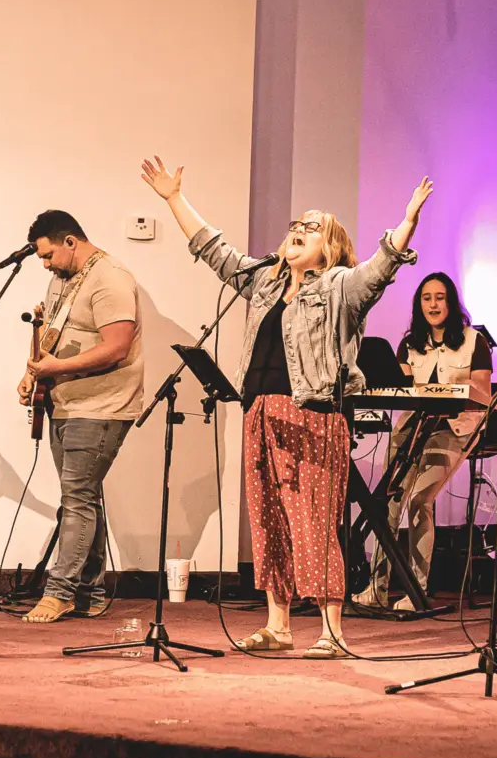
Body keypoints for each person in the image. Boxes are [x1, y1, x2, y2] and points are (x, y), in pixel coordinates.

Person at [141, 156, 432, 657]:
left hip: (312, 416)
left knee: (313, 522)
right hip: (259, 413)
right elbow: (213, 249)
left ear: (330, 248)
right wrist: (173, 199)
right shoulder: (265, 281)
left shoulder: (339, 287)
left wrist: (405, 224)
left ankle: (332, 630)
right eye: (295, 224)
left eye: (312, 228)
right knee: (270, 521)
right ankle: (278, 625)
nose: (298, 229)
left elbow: (379, 272)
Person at [17, 210, 143, 623]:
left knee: (77, 496)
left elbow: (117, 346)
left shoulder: (110, 279)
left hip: (101, 405)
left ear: (70, 241)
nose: (45, 264)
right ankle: (89, 590)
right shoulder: (63, 279)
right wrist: (32, 373)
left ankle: (60, 591)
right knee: (83, 496)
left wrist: (54, 370)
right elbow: (51, 337)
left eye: (49, 254)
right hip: (65, 402)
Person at [354, 273, 492, 610]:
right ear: (420, 304)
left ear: (451, 302)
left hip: (454, 427)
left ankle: (416, 590)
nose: (433, 304)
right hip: (414, 425)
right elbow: (399, 387)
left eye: (439, 297)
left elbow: (483, 395)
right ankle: (378, 588)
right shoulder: (410, 342)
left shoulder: (475, 342)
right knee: (386, 502)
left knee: (418, 500)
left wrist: (448, 391)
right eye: (427, 298)